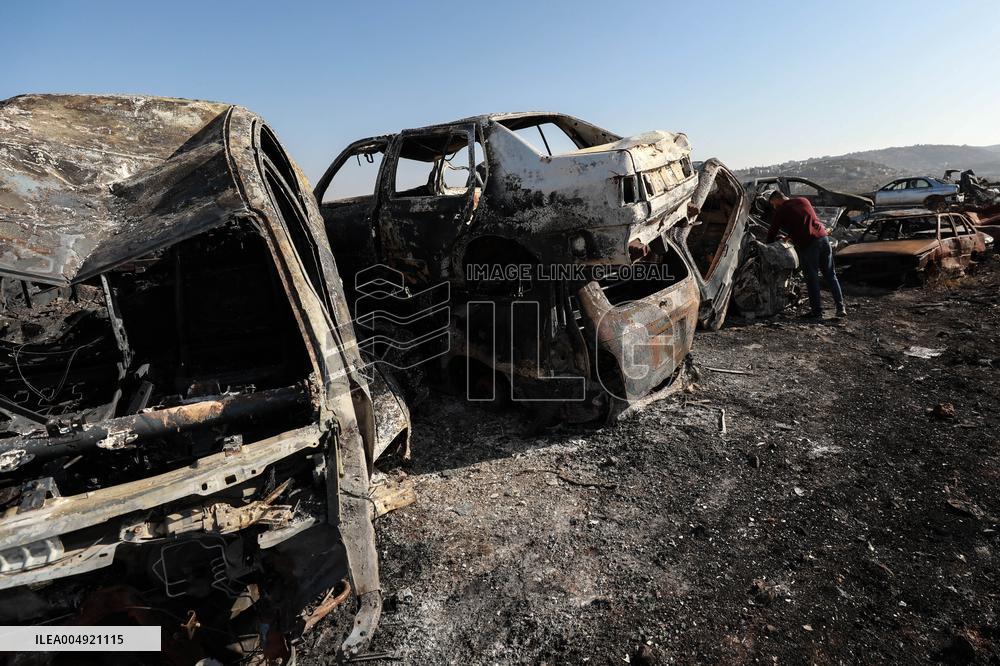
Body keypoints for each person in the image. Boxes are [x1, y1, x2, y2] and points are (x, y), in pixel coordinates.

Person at [766, 190, 846, 319]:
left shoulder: (781, 210)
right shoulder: (803, 200)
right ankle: (841, 307)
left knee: (812, 278)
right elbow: (804, 221)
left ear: (777, 200)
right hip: (823, 239)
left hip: (809, 245)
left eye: (773, 203)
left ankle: (817, 312)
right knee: (831, 275)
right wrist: (789, 237)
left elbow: (772, 232)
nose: (773, 206)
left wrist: (767, 247)